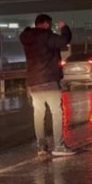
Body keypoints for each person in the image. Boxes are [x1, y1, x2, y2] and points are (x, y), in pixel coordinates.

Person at [20, 13, 75, 158]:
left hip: (33, 81)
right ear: (45, 24)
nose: (50, 27)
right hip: (49, 80)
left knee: (38, 114)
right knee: (56, 112)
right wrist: (64, 28)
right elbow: (64, 40)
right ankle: (59, 146)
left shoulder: (27, 38)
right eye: (49, 25)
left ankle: (41, 147)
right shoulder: (46, 35)